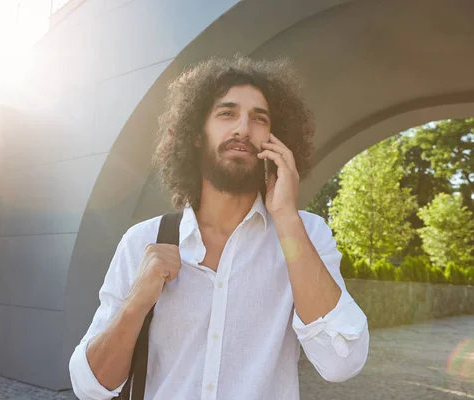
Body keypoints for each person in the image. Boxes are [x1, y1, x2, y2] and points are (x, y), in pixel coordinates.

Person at [69, 56, 369, 400]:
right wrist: (137, 302)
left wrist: (286, 216)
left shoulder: (307, 234)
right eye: (227, 113)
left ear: (275, 140)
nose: (243, 128)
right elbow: (90, 386)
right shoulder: (142, 241)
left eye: (259, 118)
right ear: (196, 135)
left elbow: (341, 362)